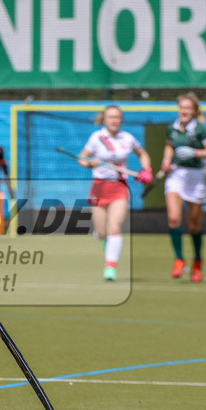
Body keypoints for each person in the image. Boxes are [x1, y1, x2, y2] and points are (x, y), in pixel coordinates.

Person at [78, 105, 153, 281]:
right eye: (111, 117)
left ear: (121, 120)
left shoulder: (127, 138)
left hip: (119, 188)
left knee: (114, 228)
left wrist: (146, 169)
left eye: (117, 117)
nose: (114, 120)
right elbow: (82, 158)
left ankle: (110, 268)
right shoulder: (96, 138)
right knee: (101, 232)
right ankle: (107, 245)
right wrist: (90, 163)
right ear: (104, 119)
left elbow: (142, 153)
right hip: (98, 188)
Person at [160, 92, 206, 283]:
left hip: (195, 178)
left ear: (194, 111)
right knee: (174, 218)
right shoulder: (172, 128)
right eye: (182, 107)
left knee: (194, 225)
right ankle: (179, 259)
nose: (184, 111)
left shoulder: (200, 129)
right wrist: (166, 160)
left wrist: (194, 152)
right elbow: (169, 145)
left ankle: (197, 261)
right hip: (176, 176)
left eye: (188, 108)